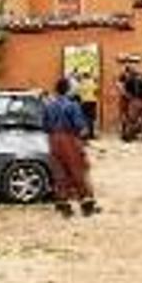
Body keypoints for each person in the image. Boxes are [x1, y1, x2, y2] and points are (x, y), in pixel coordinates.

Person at [43, 77, 100, 218]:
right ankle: (87, 206)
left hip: (53, 140)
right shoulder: (72, 105)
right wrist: (83, 139)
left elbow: (44, 125)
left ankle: (64, 207)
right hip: (69, 139)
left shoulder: (49, 105)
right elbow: (81, 127)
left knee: (60, 173)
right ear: (68, 89)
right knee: (78, 171)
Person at [77, 72, 98, 140]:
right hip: (92, 101)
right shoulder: (92, 82)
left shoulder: (81, 83)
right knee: (91, 118)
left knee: (84, 118)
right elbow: (96, 90)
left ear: (84, 76)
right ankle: (91, 134)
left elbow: (78, 92)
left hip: (84, 102)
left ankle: (84, 134)